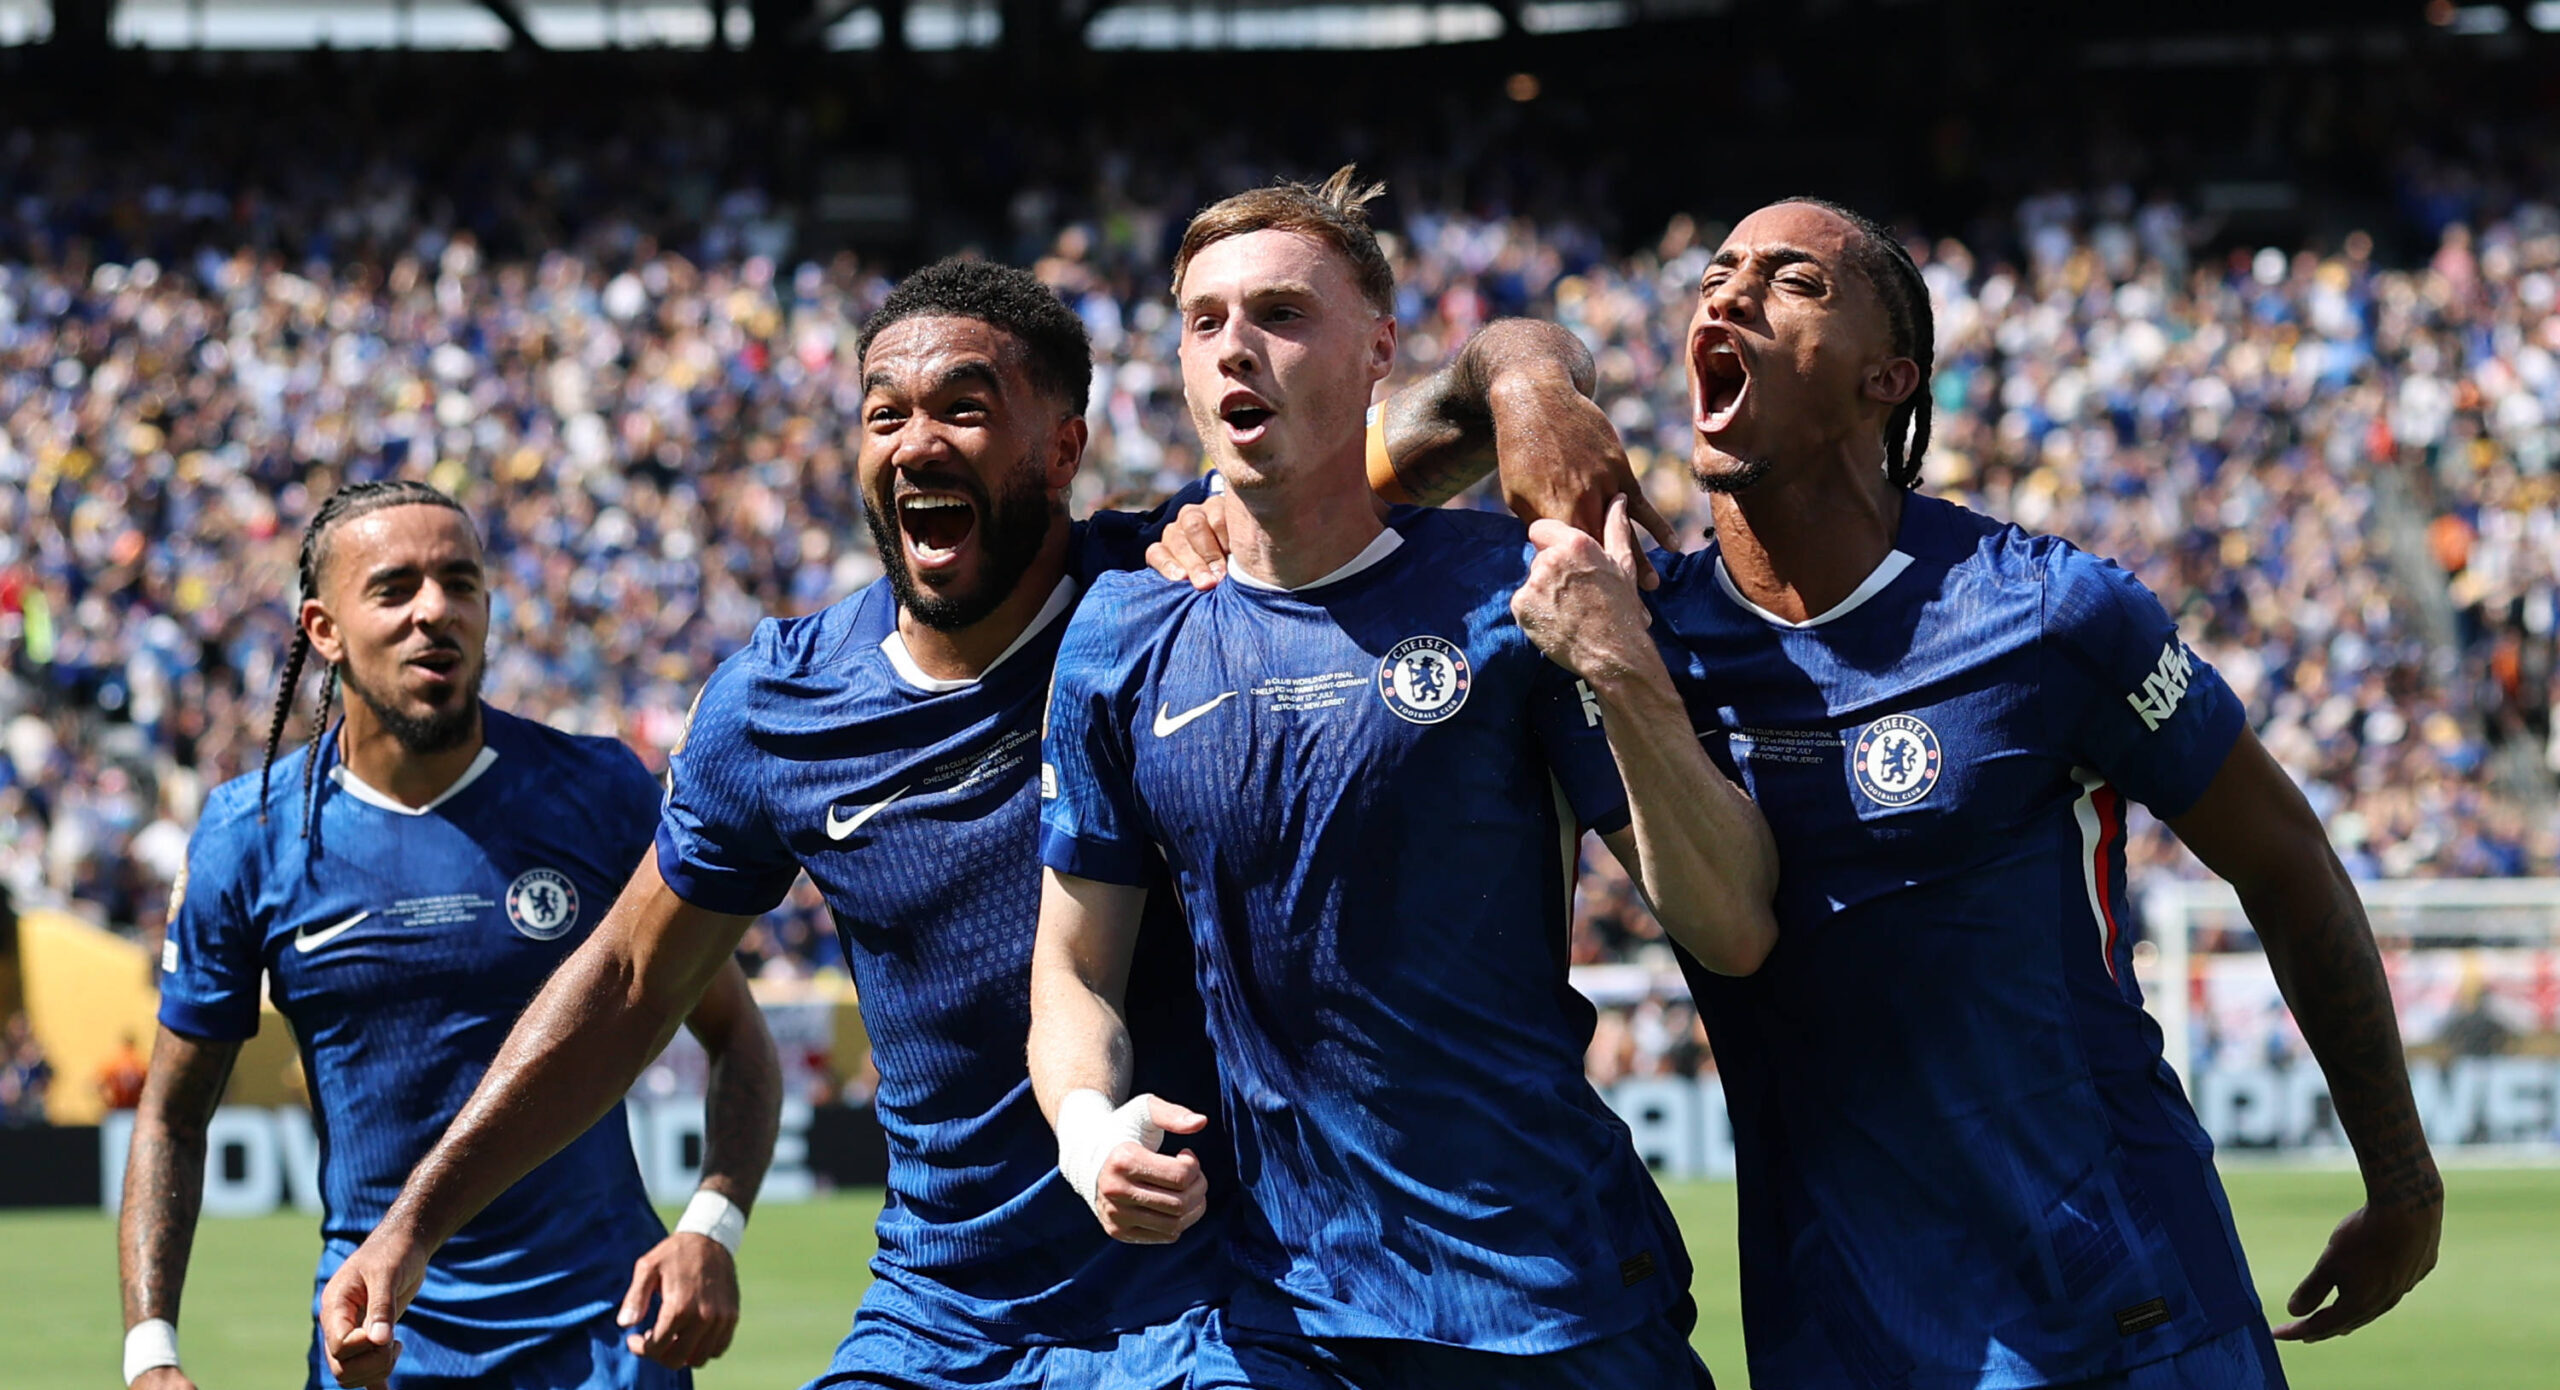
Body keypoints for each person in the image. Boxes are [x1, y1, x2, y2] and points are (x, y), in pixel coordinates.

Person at [316, 256, 1652, 1390]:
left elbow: (1433, 411)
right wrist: (408, 1225)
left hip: (1204, 1305)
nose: (917, 443)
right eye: (883, 412)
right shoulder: (780, 703)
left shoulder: (1173, 579)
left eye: (968, 405)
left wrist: (1533, 381)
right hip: (940, 1311)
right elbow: (621, 977)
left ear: (1063, 446)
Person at [1515, 197, 2443, 1388]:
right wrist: (1528, 371)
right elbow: (1338, 478)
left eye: (1791, 280)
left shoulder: (2047, 615)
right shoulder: (1626, 642)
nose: (1726, 295)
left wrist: (2404, 1181)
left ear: (1884, 380)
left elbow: (2284, 860)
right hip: (1841, 1341)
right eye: (1715, 273)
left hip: (2128, 1317)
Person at [1028, 168, 1778, 1389]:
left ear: (1378, 350)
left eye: (1280, 314)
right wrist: (1084, 1128)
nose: (1236, 352)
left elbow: (1732, 923)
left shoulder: (1508, 591)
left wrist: (1624, 665)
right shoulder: (1122, 633)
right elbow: (1070, 970)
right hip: (1289, 1314)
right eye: (1204, 320)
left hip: (1556, 1297)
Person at [120, 480, 782, 1390]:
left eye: (460, 583)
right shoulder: (251, 835)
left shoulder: (595, 794)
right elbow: (172, 1113)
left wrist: (712, 1223)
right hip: (377, 1341)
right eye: (394, 589)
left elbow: (739, 1038)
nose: (435, 611)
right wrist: (150, 1351)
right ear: (323, 629)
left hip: (605, 1344)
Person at [96, 1031, 148, 1111]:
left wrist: (108, 1101)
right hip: (135, 1110)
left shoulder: (114, 1063)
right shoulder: (141, 1064)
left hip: (117, 1109)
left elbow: (98, 1082)